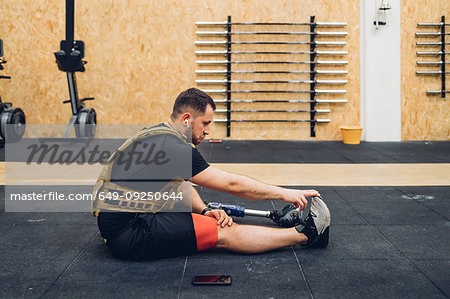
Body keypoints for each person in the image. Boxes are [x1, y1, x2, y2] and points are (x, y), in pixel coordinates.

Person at [94, 87, 330, 260]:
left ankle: (204, 215)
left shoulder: (158, 133)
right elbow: (233, 184)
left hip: (119, 221)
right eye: (205, 123)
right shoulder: (174, 148)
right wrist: (284, 193)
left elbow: (181, 185)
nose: (207, 131)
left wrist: (205, 210)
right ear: (187, 119)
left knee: (195, 200)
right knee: (223, 232)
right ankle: (306, 235)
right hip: (129, 234)